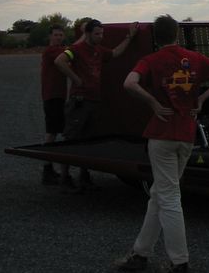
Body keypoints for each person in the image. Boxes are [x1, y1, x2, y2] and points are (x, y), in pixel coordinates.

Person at [115, 14, 209, 273]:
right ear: (177, 34)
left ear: (156, 38)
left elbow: (129, 83)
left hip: (161, 135)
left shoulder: (152, 60)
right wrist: (202, 97)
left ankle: (179, 261)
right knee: (160, 194)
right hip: (186, 135)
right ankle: (140, 253)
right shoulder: (193, 59)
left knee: (168, 197)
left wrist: (152, 103)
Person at [54, 18, 139, 190]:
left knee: (88, 140)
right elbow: (59, 61)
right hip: (79, 101)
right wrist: (76, 79)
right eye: (97, 34)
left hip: (93, 101)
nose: (101, 37)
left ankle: (84, 175)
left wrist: (129, 38)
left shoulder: (99, 51)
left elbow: (115, 53)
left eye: (102, 33)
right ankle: (65, 177)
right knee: (71, 139)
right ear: (87, 33)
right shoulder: (76, 50)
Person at [40, 25, 67, 185]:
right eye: (56, 35)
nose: (58, 37)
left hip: (59, 96)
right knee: (51, 132)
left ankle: (49, 168)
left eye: (61, 35)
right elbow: (71, 53)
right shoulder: (51, 52)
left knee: (55, 131)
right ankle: (47, 169)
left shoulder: (60, 50)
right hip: (52, 96)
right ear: (50, 37)